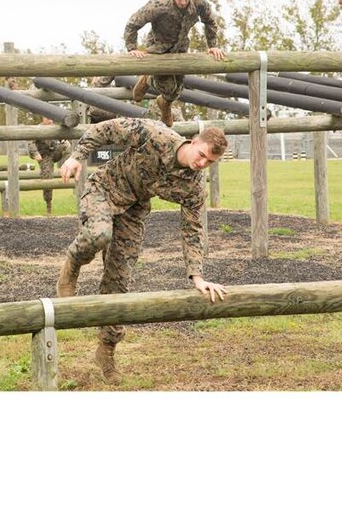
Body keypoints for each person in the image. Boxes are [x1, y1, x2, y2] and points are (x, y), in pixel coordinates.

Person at [56, 117, 228, 383]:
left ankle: (106, 351)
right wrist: (76, 156)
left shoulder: (194, 185)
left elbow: (192, 228)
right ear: (194, 142)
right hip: (103, 189)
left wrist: (198, 276)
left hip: (134, 209)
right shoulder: (153, 135)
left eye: (210, 162)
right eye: (202, 154)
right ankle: (72, 265)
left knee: (119, 280)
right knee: (98, 235)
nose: (202, 163)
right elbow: (105, 129)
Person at [124, 0, 225, 127]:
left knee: (177, 89)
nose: (184, 1)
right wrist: (132, 48)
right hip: (158, 50)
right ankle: (149, 78)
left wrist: (212, 45)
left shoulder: (199, 3)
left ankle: (163, 101)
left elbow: (210, 21)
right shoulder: (159, 4)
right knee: (169, 88)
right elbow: (133, 23)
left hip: (180, 49)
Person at [27, 118, 71, 214]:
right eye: (47, 118)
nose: (50, 120)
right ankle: (48, 204)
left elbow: (62, 137)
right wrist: (35, 153)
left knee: (67, 145)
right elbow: (31, 142)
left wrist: (63, 140)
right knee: (47, 177)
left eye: (51, 118)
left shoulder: (55, 127)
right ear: (43, 118)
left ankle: (67, 167)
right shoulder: (38, 128)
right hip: (44, 156)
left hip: (54, 151)